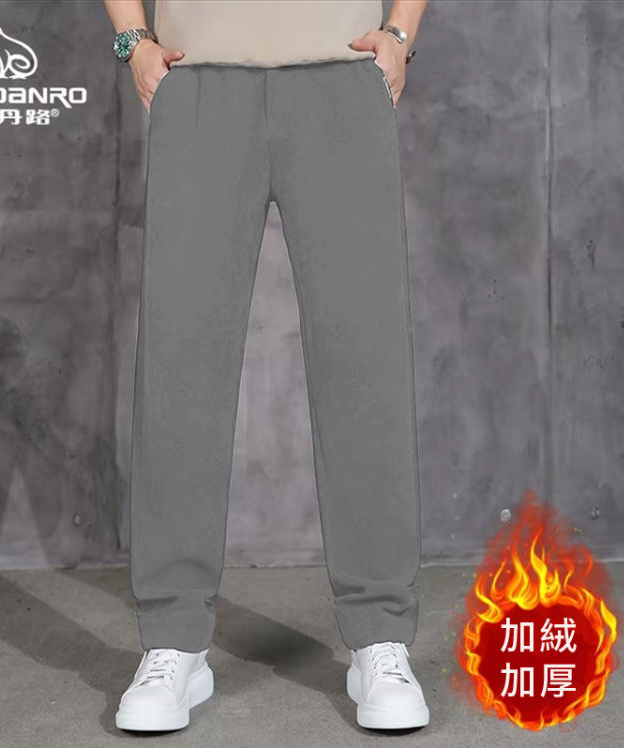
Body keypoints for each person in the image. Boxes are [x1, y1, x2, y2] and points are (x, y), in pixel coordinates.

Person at [103, 0, 429, 733]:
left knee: (364, 359)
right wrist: (133, 42)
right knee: (181, 361)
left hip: (342, 80)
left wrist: (400, 32)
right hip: (199, 82)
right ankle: (173, 639)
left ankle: (380, 633)